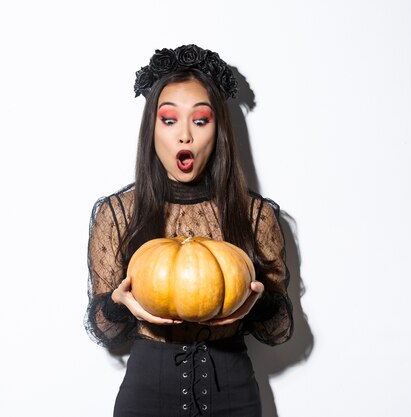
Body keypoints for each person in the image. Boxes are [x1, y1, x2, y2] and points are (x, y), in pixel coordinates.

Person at [84, 44, 294, 417]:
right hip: (147, 396)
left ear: (219, 130)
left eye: (200, 120)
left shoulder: (255, 215)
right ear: (152, 130)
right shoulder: (118, 213)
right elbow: (105, 330)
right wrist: (118, 303)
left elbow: (278, 331)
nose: (185, 136)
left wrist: (258, 300)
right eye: (169, 120)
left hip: (234, 395)